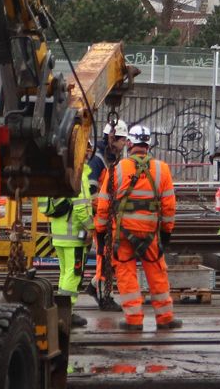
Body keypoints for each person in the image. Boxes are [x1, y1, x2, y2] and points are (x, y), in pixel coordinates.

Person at [95, 124, 181, 331]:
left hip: (122, 233)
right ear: (148, 144)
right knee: (157, 272)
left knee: (126, 273)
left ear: (130, 143)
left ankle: (134, 320)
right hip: (151, 233)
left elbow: (104, 205)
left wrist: (100, 233)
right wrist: (166, 232)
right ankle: (165, 318)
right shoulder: (162, 169)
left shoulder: (117, 169)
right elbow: (169, 206)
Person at [38, 140, 95, 328]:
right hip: (74, 235)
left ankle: (61, 310)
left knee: (65, 273)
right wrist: (90, 227)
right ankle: (66, 314)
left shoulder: (62, 173)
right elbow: (81, 207)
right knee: (74, 273)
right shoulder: (79, 174)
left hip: (60, 234)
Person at [85, 119, 129, 312]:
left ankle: (95, 286)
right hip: (101, 216)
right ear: (112, 137)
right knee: (105, 257)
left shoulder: (110, 157)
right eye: (122, 140)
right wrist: (102, 211)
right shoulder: (98, 159)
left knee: (109, 256)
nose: (124, 144)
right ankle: (104, 296)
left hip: (107, 216)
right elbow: (91, 190)